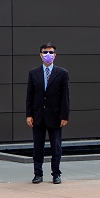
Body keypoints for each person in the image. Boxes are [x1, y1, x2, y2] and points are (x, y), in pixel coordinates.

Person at [25, 42, 70, 184]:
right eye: (45, 52)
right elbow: (30, 95)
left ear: (55, 55)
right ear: (40, 55)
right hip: (38, 116)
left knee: (56, 147)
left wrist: (64, 116)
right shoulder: (33, 73)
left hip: (55, 116)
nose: (48, 55)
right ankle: (38, 173)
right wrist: (29, 114)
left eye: (51, 52)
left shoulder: (62, 73)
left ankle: (56, 173)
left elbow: (65, 97)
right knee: (38, 147)